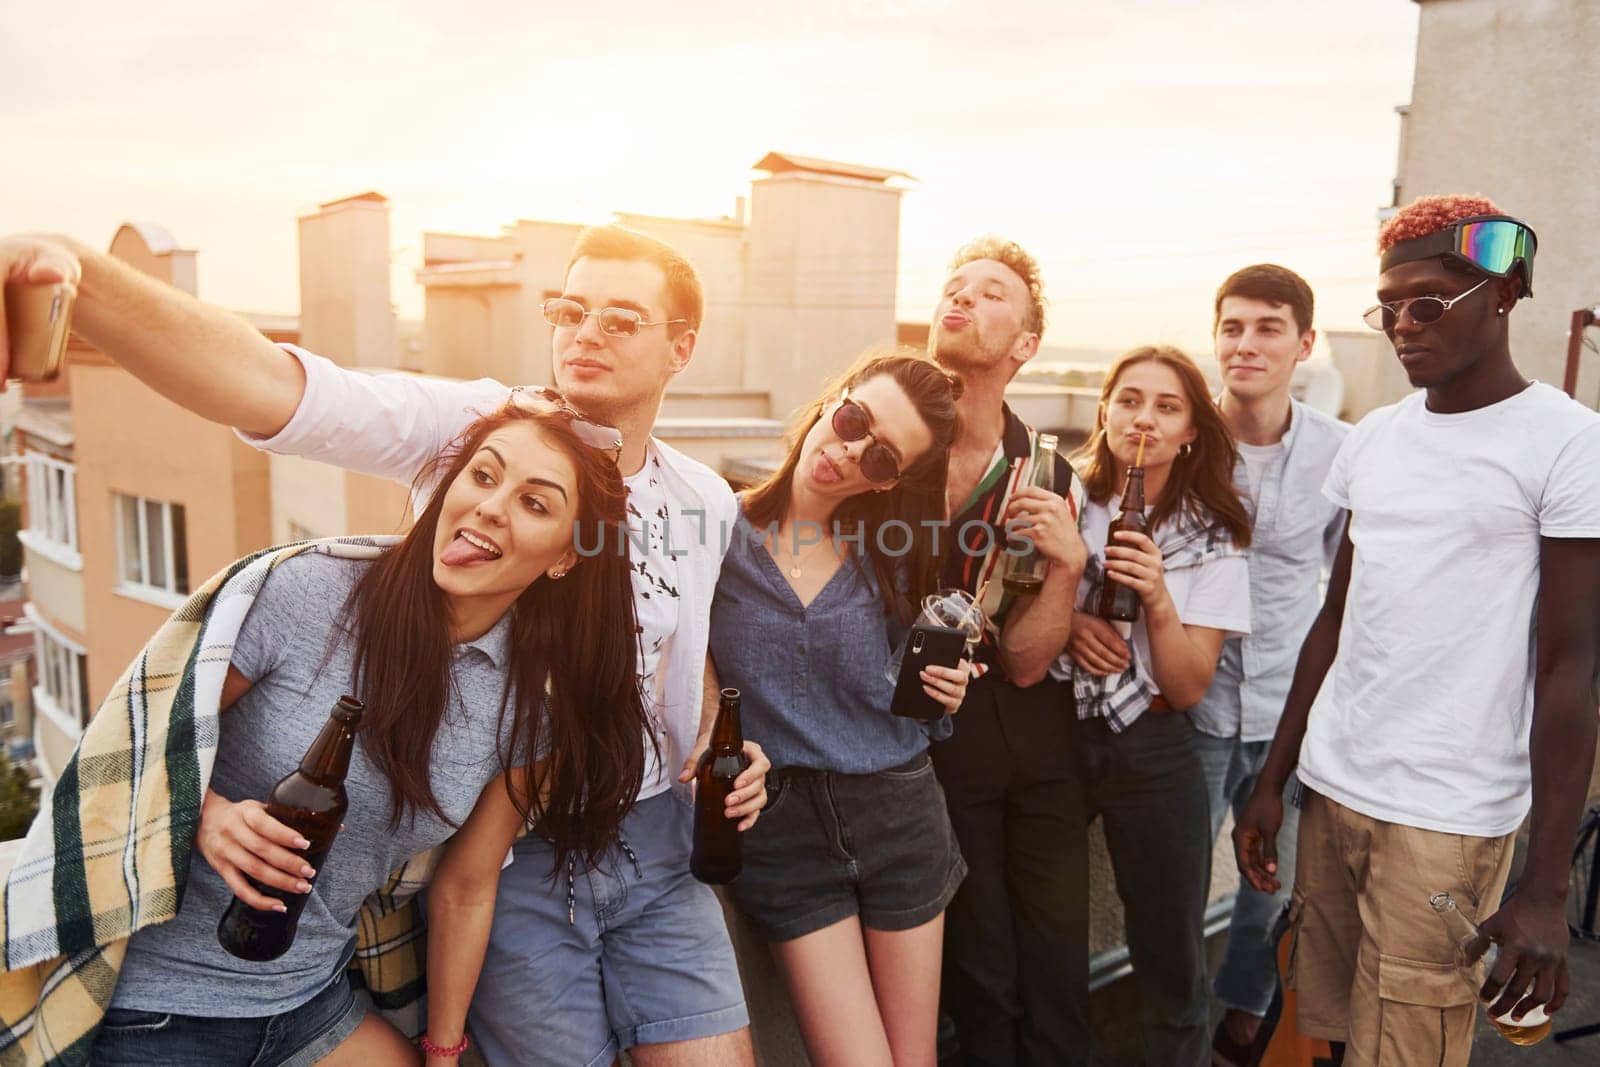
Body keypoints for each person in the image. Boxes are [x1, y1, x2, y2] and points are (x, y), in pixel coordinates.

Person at [0, 226, 768, 1067]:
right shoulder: (473, 429)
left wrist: (709, 732)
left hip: (653, 834)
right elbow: (272, 384)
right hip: (517, 852)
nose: (585, 333)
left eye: (621, 320)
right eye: (570, 309)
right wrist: (81, 275)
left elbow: (682, 624)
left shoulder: (701, 499)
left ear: (681, 349)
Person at [79, 399, 645, 1064]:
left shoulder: (526, 708)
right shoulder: (308, 591)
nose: (491, 506)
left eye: (536, 503)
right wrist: (206, 816)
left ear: (565, 558)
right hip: (159, 1002)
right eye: (483, 476)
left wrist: (443, 1048)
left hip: (312, 1001)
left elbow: (466, 884)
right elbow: (127, 744)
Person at [1233, 194, 1600, 1065]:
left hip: (1446, 818)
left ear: (1504, 296)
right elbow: (1336, 618)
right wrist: (1274, 779)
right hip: (1332, 790)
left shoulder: (1568, 443)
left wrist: (1548, 886)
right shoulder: (1377, 438)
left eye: (1428, 303)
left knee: (1404, 1049)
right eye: (1389, 307)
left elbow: (1573, 668)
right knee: (1325, 1030)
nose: (1403, 326)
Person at [709, 352, 971, 1065]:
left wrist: (944, 691)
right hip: (783, 833)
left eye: (882, 458)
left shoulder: (893, 553)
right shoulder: (714, 532)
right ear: (834, 401)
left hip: (900, 814)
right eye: (855, 420)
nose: (851, 451)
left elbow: (911, 691)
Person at [1056, 344, 1253, 1067]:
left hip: (1154, 742)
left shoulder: (1213, 527)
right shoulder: (1063, 495)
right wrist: (1069, 620)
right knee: (1046, 939)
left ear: (1190, 431)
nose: (1144, 418)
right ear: (1104, 409)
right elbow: (1006, 610)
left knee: (1170, 955)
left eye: (1167, 406)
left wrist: (1160, 599)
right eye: (1130, 399)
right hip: (1057, 735)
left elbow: (1191, 682)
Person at [923, 237, 1090, 1065]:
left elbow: (1028, 660)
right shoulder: (885, 453)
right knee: (980, 965)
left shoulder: (1047, 472)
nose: (961, 300)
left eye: (990, 294)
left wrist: (1067, 565)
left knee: (1059, 959)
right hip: (931, 739)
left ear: (1025, 345)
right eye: (954, 288)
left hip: (1036, 734)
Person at [1191, 265, 1348, 1065]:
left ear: (1305, 344)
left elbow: (1348, 591)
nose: (1245, 343)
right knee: (1177, 889)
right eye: (1232, 326)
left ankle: (1243, 1019)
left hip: (1290, 706)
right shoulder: (1181, 440)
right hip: (1186, 708)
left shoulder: (1341, 453)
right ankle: (1179, 1030)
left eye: (1267, 327)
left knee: (1272, 888)